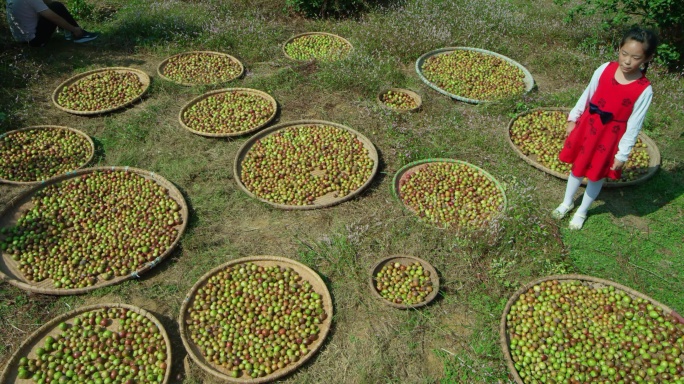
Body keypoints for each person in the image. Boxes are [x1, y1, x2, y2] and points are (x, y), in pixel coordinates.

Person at [552, 26, 659, 230]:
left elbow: (635, 124)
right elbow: (587, 94)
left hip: (610, 137)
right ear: (619, 49)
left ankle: (582, 210)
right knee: (577, 167)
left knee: (596, 174)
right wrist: (573, 117)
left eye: (635, 57)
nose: (627, 61)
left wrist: (623, 154)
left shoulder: (644, 90)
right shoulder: (605, 69)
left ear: (647, 58)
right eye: (624, 53)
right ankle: (566, 203)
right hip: (588, 126)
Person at [6, 0, 98, 47]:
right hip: (34, 41)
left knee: (53, 6)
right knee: (57, 7)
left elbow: (47, 3)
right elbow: (53, 17)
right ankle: (78, 34)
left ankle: (68, 32)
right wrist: (73, 28)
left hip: (20, 39)